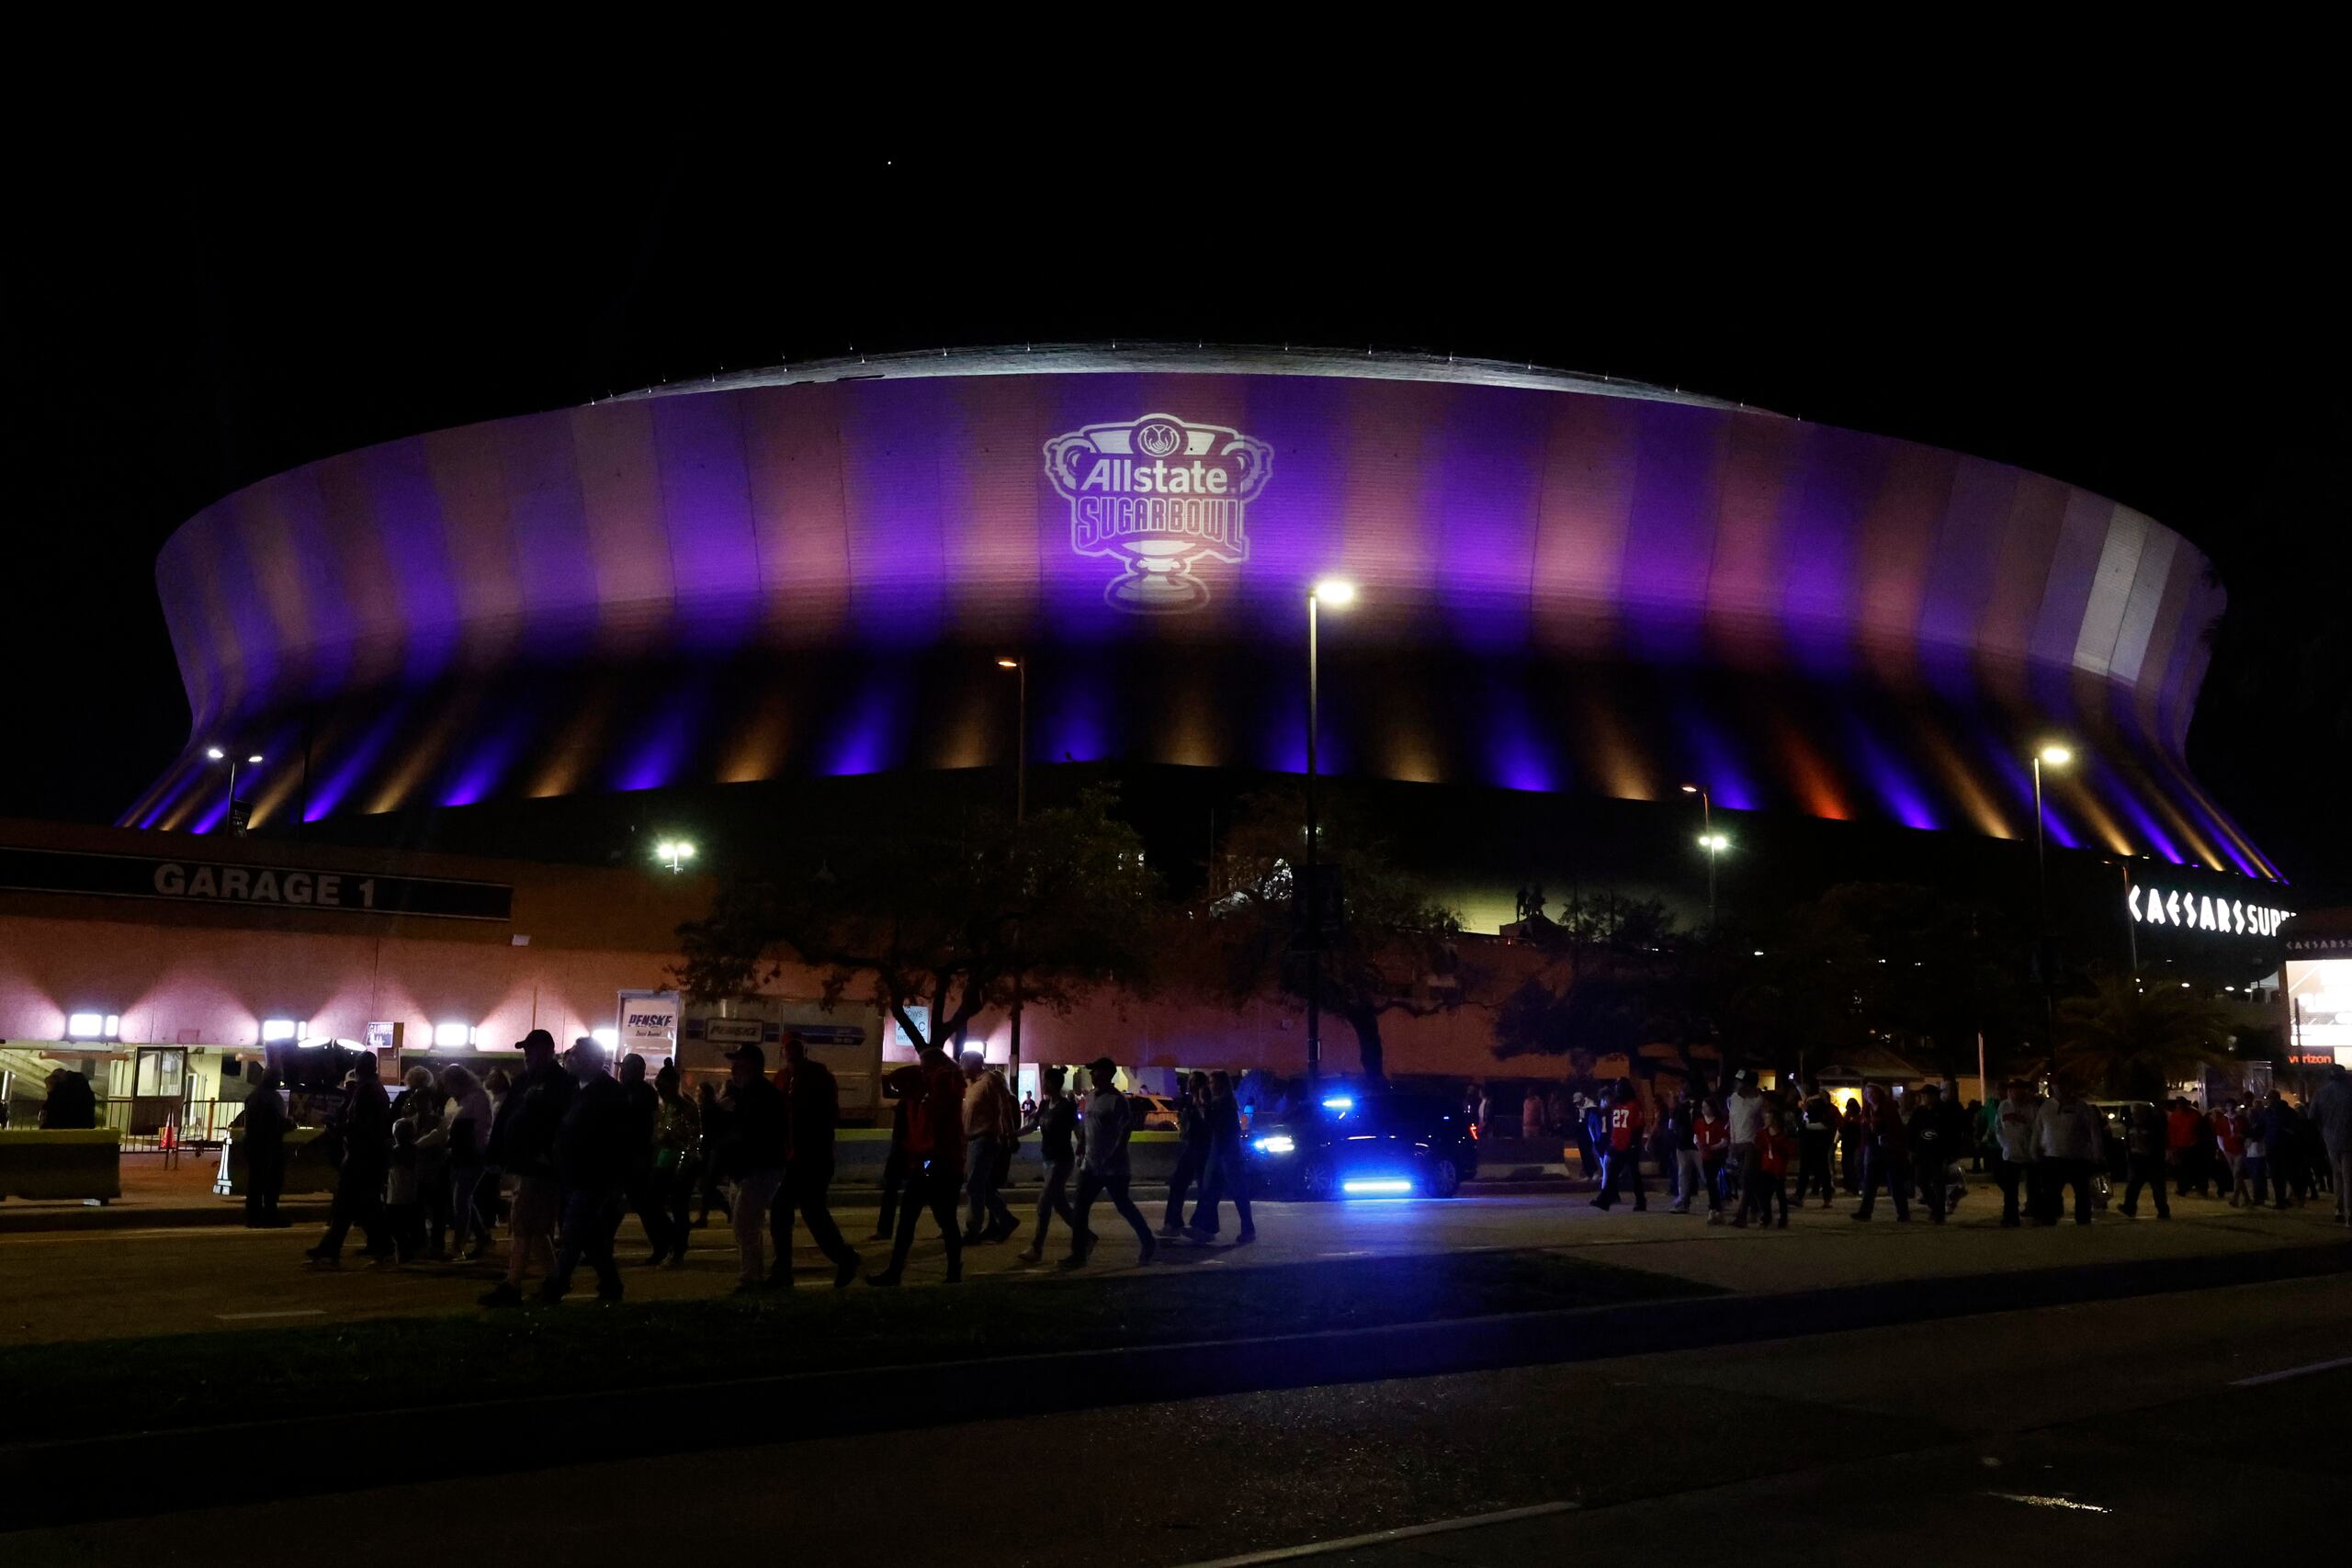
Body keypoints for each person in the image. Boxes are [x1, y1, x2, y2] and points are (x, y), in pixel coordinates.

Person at [480, 1030, 573, 1305]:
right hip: (525, 1163)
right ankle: (554, 1281)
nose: (527, 1055)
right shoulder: (524, 1081)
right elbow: (506, 1118)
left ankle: (514, 1285)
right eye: (526, 1050)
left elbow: (559, 1121)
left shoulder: (561, 1083)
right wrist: (496, 1153)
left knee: (524, 1225)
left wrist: (547, 1153)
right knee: (534, 1229)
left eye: (531, 1050)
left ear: (547, 1050)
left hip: (540, 1164)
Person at [540, 1037, 630, 1305]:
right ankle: (612, 1286)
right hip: (573, 1175)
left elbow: (618, 1140)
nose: (569, 1058)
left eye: (576, 1054)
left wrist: (616, 1181)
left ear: (590, 1060)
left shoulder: (609, 1093)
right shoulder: (576, 1088)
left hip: (593, 1176)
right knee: (589, 1237)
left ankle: (554, 1288)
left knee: (574, 1233)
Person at [871, 1045, 967, 1286]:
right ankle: (899, 1271)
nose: (922, 1073)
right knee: (919, 1219)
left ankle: (949, 1270)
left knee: (942, 1219)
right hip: (930, 1163)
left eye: (925, 1068)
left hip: (941, 1163)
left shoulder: (942, 1088)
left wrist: (931, 1077)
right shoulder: (920, 1096)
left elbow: (936, 1125)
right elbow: (894, 1080)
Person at [771, 1032, 860, 1289]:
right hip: (798, 1155)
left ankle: (788, 1271)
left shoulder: (816, 1077)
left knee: (795, 1209)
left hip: (811, 1155)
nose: (791, 1051)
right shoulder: (785, 1078)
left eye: (795, 1046)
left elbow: (823, 1116)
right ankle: (842, 1258)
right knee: (806, 1211)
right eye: (788, 1046)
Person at [1064, 1057, 1157, 1269]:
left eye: (1095, 1071)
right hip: (1091, 1165)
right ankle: (1078, 1253)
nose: (1093, 1075)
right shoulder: (1090, 1097)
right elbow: (1087, 1127)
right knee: (1080, 1207)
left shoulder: (1118, 1100)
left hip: (1114, 1166)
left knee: (1123, 1206)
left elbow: (1125, 1132)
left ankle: (1148, 1241)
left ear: (1106, 1073)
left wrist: (1114, 1155)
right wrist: (1081, 1147)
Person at [718, 1042, 788, 1293]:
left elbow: (754, 1134)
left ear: (754, 1066)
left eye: (739, 1061)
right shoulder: (742, 1093)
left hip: (759, 1169)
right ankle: (753, 1275)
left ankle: (750, 1279)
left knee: (745, 1224)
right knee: (745, 1225)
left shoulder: (762, 1095)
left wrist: (727, 1123)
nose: (734, 1067)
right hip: (744, 1170)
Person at [308, 1055, 392, 1265]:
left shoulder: (366, 1090)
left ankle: (381, 1247)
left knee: (353, 1205)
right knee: (358, 1205)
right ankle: (333, 1249)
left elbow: (359, 1124)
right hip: (369, 1154)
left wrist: (336, 1129)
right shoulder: (376, 1089)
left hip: (360, 1155)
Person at [1017, 1065, 1088, 1261]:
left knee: (1044, 1203)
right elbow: (1032, 1126)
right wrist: (1013, 1134)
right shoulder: (1043, 1105)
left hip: (1061, 1160)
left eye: (1045, 1080)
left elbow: (1079, 1130)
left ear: (1052, 1083)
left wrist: (1081, 1149)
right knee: (1061, 1205)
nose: (1043, 1083)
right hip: (1047, 1159)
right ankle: (1087, 1236)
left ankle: (1036, 1247)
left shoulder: (1067, 1107)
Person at [1188, 1069, 1257, 1243]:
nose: (1210, 1086)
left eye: (1212, 1082)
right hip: (1223, 1152)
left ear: (1221, 1084)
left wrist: (1202, 1104)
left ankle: (1244, 1229)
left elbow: (1211, 1123)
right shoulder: (1225, 1102)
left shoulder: (1222, 1103)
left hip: (1226, 1153)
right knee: (1212, 1190)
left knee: (1229, 1190)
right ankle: (1205, 1227)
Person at [959, 1049, 1019, 1245]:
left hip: (985, 1139)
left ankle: (973, 1229)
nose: (961, 1067)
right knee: (981, 1186)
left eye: (962, 1063)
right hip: (973, 1140)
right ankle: (1006, 1219)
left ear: (973, 1063)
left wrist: (1009, 1134)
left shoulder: (990, 1080)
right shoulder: (971, 1084)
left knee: (975, 1185)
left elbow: (1005, 1107)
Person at [435, 1063, 492, 1261]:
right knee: (463, 1197)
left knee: (461, 1198)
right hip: (460, 1153)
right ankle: (481, 1236)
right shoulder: (461, 1099)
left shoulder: (477, 1098)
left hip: (473, 1154)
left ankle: (458, 1244)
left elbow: (483, 1127)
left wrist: (476, 1149)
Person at [648, 1063, 701, 1265]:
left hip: (683, 1162)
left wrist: (674, 1142)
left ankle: (678, 1249)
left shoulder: (687, 1107)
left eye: (664, 1088)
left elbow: (694, 1139)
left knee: (679, 1206)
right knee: (652, 1204)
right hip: (664, 1160)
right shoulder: (665, 1106)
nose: (661, 1092)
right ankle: (671, 1240)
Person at [2030, 1081, 2101, 1225]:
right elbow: (2038, 1130)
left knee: (2082, 1192)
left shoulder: (2082, 1107)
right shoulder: (2047, 1107)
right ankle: (2049, 1218)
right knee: (2051, 1191)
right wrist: (2034, 1149)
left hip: (2078, 1158)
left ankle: (2083, 1219)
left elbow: (2094, 1132)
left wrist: (2097, 1153)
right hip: (2053, 1157)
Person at [616, 1054, 663, 1266]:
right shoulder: (627, 1091)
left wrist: (643, 1156)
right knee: (616, 1205)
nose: (621, 1072)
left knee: (643, 1204)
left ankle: (664, 1241)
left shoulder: (642, 1094)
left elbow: (645, 1128)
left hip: (636, 1157)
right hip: (626, 1155)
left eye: (625, 1068)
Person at [1162, 1072, 1213, 1236]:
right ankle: (1173, 1222)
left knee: (1203, 1187)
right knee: (1178, 1184)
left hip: (1202, 1148)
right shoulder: (1189, 1102)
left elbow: (1207, 1124)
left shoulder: (1205, 1102)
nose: (1189, 1086)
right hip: (1192, 1147)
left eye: (1192, 1082)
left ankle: (1203, 1226)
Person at [239, 1066, 290, 1228]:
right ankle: (264, 1216)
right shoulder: (266, 1097)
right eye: (278, 1076)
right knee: (266, 1183)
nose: (280, 1080)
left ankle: (258, 1216)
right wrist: (287, 1125)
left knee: (261, 1182)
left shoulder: (258, 1095)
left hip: (261, 1144)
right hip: (265, 1144)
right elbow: (270, 1122)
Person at [1851, 1084, 1909, 1222]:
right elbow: (1864, 1130)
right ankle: (1865, 1211)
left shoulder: (1887, 1108)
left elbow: (1895, 1128)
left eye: (1872, 1092)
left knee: (1894, 1181)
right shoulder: (1867, 1109)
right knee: (1869, 1181)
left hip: (1889, 1148)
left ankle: (1903, 1213)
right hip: (1873, 1148)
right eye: (1867, 1093)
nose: (1869, 1095)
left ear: (1878, 1094)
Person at [1989, 1078, 2036, 1227]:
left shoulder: (2031, 1108)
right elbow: (1998, 1128)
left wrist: (2033, 1147)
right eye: (2014, 1090)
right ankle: (2010, 1216)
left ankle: (2035, 1210)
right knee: (2010, 1189)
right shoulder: (2004, 1106)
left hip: (2029, 1154)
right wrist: (2005, 1145)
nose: (2016, 1093)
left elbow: (2037, 1129)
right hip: (2010, 1153)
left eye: (2019, 1089)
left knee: (2033, 1186)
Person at [1596, 1079, 1647, 1213]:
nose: (1618, 1091)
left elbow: (1638, 1126)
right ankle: (1604, 1200)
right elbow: (1604, 1109)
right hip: (1617, 1144)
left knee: (1634, 1174)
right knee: (1612, 1173)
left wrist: (1634, 1144)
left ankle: (1640, 1201)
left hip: (1629, 1145)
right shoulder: (1616, 1103)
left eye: (1620, 1088)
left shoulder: (1634, 1105)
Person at [1904, 1083, 1951, 1224]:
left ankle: (1940, 1214)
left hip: (1938, 1153)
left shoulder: (1943, 1111)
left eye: (1926, 1096)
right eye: (1922, 1096)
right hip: (1921, 1152)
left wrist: (1949, 1153)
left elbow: (1950, 1133)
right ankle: (1935, 1207)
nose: (1924, 1098)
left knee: (1938, 1183)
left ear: (1934, 1096)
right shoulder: (1919, 1112)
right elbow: (1911, 1132)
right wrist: (1911, 1149)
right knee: (1921, 1180)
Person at [2119, 1100, 2173, 1220]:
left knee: (2156, 1187)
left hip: (2152, 1161)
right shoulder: (2133, 1126)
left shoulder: (2153, 1126)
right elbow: (2129, 1143)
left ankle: (2163, 1211)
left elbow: (2159, 1143)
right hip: (2138, 1160)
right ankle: (2130, 1207)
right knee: (2134, 1186)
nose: (2134, 1115)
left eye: (2136, 1113)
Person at [2312, 1066, 2352, 1226]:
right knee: (2349, 1178)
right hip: (2349, 1138)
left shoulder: (2321, 1092)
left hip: (2330, 1139)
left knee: (2337, 1175)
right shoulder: (2349, 1091)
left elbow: (2312, 1116)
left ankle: (2339, 1209)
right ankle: (2350, 1212)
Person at [1746, 1106, 1793, 1228]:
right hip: (1766, 1168)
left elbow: (1786, 1152)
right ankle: (1766, 1216)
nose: (1766, 1120)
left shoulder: (1782, 1136)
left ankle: (1783, 1218)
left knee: (1780, 1194)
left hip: (1778, 1169)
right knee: (1763, 1194)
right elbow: (1757, 1143)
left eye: (1768, 1118)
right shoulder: (1763, 1133)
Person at [1724, 1071, 1764, 1214]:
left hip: (1751, 1144)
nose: (1737, 1085)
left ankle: (1742, 1214)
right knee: (1744, 1180)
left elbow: (1763, 1123)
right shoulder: (1733, 1099)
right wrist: (1732, 1143)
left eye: (1740, 1082)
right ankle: (1758, 1207)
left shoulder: (1759, 1101)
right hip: (1738, 1143)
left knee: (1747, 1178)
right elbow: (1732, 1122)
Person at [695, 1081, 732, 1229]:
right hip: (710, 1150)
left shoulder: (709, 1109)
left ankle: (706, 1215)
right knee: (705, 1185)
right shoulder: (712, 1107)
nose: (697, 1094)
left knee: (706, 1184)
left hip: (712, 1150)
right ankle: (724, 1208)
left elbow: (710, 1131)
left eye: (699, 1091)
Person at [1795, 1079, 1838, 1209]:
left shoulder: (1819, 1108)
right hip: (1811, 1142)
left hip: (1817, 1143)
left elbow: (1824, 1126)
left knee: (1819, 1170)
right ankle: (1801, 1196)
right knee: (1808, 1170)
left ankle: (1824, 1197)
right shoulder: (1814, 1107)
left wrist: (1806, 1126)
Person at [1692, 1095, 1730, 1224]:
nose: (1703, 1109)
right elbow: (1696, 1137)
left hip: (1716, 1156)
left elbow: (1724, 1141)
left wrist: (1712, 1148)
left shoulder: (1718, 1123)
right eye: (1702, 1107)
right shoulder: (1699, 1122)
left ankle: (1714, 1208)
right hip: (1705, 1156)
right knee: (1709, 1182)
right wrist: (1699, 1146)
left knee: (1711, 1181)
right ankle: (1715, 1208)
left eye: (1706, 1107)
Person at [1663, 1090, 1701, 1214]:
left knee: (1688, 1175)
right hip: (1685, 1145)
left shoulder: (1695, 1109)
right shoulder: (1680, 1110)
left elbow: (1672, 1126)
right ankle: (1684, 1202)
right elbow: (1672, 1126)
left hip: (1694, 1146)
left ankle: (1715, 1202)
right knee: (1683, 1175)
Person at [38, 1066, 98, 1130]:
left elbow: (54, 1114)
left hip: (63, 1131)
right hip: (84, 1130)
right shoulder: (81, 1087)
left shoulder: (59, 1095)